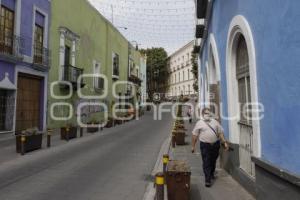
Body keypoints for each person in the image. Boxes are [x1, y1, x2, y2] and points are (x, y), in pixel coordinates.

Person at [191, 107, 229, 187]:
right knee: (206, 161)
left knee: (213, 160)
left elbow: (220, 133)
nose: (207, 115)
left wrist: (224, 142)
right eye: (205, 113)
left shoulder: (215, 122)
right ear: (202, 114)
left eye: (208, 113)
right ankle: (207, 179)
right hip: (205, 145)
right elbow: (195, 135)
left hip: (215, 145)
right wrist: (193, 146)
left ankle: (211, 173)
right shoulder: (199, 123)